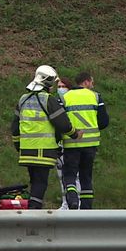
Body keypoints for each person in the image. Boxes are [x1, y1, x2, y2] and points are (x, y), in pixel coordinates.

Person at [11, 65, 82, 209]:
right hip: (43, 151)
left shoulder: (23, 100)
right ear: (48, 83)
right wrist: (75, 134)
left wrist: (19, 147)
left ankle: (33, 211)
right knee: (40, 182)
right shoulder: (48, 100)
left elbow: (15, 128)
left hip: (26, 151)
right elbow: (63, 124)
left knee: (35, 181)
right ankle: (33, 213)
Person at [61, 72, 109, 209]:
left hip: (71, 143)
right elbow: (104, 121)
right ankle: (87, 208)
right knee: (86, 176)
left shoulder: (65, 97)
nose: (92, 85)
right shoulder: (95, 96)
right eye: (92, 82)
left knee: (70, 174)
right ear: (86, 82)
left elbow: (60, 121)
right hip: (91, 145)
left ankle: (72, 199)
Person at [55, 78, 81, 210]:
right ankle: (66, 202)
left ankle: (77, 202)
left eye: (63, 86)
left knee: (73, 175)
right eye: (59, 86)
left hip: (72, 143)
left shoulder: (72, 102)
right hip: (61, 143)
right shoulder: (55, 102)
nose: (61, 88)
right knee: (61, 176)